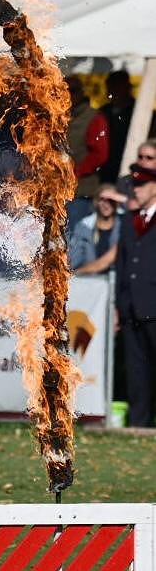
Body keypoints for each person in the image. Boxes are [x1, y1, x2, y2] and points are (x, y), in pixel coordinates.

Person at [115, 162, 156, 427]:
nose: (135, 190)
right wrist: (120, 304)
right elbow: (123, 263)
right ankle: (138, 425)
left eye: (141, 185)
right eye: (134, 185)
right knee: (136, 370)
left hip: (153, 304)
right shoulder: (130, 221)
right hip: (132, 307)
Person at [66, 75, 108, 227]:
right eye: (63, 90)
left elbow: (100, 154)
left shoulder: (94, 118)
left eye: (73, 90)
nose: (68, 94)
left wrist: (75, 172)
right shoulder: (59, 117)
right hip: (57, 190)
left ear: (82, 93)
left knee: (74, 236)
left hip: (81, 193)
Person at [68, 184, 121, 272]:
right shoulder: (84, 226)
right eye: (102, 200)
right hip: (90, 277)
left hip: (117, 277)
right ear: (96, 202)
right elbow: (72, 261)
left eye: (111, 200)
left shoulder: (124, 225)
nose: (106, 205)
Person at [99, 70, 135, 183]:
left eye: (118, 86)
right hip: (104, 169)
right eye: (111, 86)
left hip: (129, 166)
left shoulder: (139, 112)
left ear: (127, 88)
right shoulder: (103, 112)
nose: (114, 91)